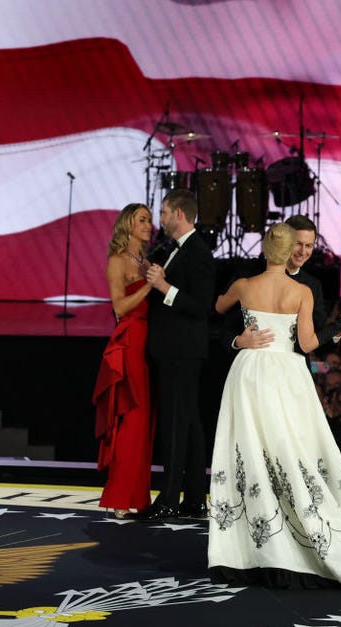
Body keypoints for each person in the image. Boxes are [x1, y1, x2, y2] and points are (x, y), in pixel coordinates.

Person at [207, 223, 341, 590]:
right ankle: (294, 540)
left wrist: (247, 335)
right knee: (286, 453)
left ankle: (248, 549)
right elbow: (308, 344)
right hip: (285, 375)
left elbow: (216, 306)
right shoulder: (302, 291)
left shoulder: (245, 285)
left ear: (265, 248)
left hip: (248, 373)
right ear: (290, 247)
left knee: (251, 452)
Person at [141, 189, 215, 521]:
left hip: (181, 350)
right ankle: (196, 497)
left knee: (175, 423)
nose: (161, 219)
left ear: (179, 215)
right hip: (176, 349)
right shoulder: (177, 250)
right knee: (189, 424)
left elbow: (201, 307)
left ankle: (169, 498)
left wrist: (164, 288)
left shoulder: (198, 252)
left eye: (164, 212)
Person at [92, 203, 155, 517]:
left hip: (147, 343)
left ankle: (137, 496)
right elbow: (120, 307)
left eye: (150, 219)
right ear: (128, 224)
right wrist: (150, 286)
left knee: (144, 421)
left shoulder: (145, 259)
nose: (149, 224)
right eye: (142, 219)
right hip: (129, 341)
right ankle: (119, 497)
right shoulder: (118, 261)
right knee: (131, 417)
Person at [225, 214, 341, 356]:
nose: (303, 252)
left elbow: (318, 341)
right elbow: (224, 325)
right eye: (297, 244)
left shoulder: (312, 285)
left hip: (293, 370)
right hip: (251, 366)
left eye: (309, 246)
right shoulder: (248, 274)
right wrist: (238, 341)